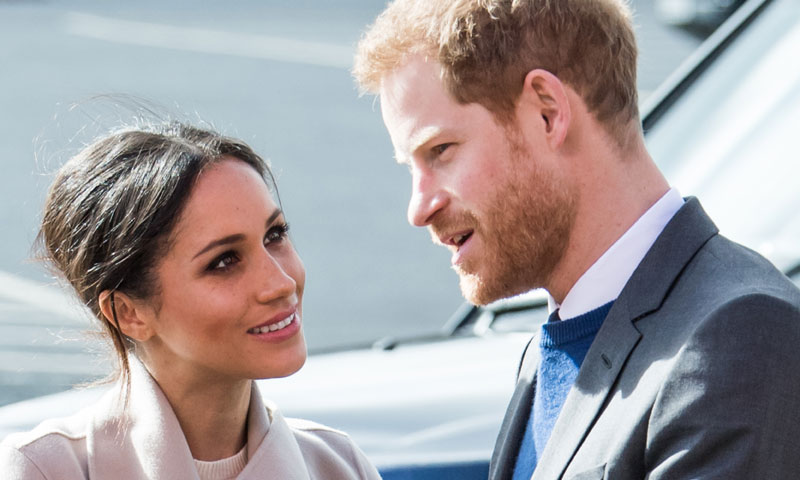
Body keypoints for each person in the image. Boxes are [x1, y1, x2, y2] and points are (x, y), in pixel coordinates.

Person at [353, 0, 800, 478]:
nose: (419, 209)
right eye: (411, 167)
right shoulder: (554, 345)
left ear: (547, 112)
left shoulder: (738, 334)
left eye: (441, 150)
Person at [0, 122, 381, 480]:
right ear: (127, 313)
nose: (280, 284)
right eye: (224, 261)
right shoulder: (44, 470)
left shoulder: (338, 465)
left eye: (275, 235)